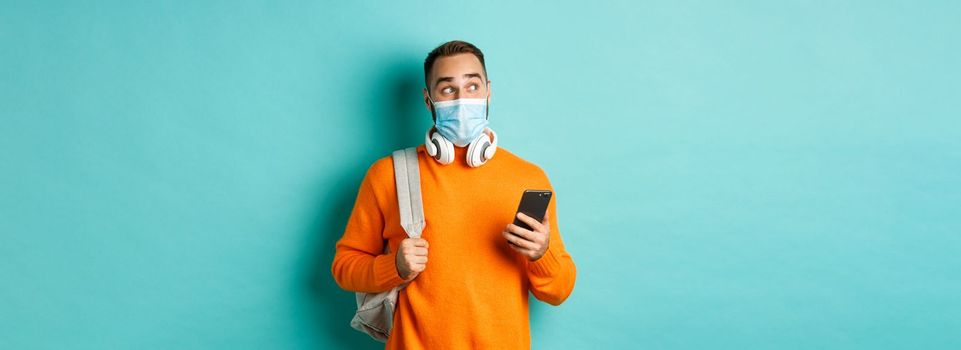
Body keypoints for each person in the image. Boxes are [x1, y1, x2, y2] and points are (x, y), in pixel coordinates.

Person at [331, 40, 577, 349]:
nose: (463, 99)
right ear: (428, 99)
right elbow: (344, 267)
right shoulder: (388, 174)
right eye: (448, 89)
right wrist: (393, 266)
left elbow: (560, 289)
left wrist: (542, 255)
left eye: (472, 86)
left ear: (488, 91)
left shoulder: (528, 178)